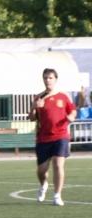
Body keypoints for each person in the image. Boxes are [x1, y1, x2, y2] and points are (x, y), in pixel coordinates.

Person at [28, 68, 76, 206]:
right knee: (41, 170)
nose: (47, 80)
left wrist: (71, 117)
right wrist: (33, 107)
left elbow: (72, 110)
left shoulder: (63, 96)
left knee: (58, 164)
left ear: (55, 79)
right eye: (45, 78)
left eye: (50, 78)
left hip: (61, 136)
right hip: (43, 138)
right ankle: (43, 185)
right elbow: (31, 118)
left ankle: (57, 195)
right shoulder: (38, 97)